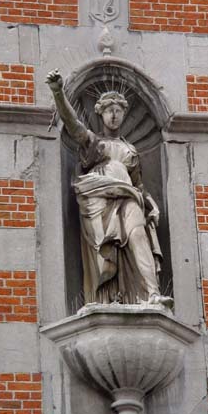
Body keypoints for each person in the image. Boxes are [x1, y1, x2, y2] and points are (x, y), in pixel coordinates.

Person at [46, 69, 172, 307]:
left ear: (124, 113)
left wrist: (152, 203)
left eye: (118, 110)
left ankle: (152, 294)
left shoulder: (130, 150)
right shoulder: (95, 143)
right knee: (104, 249)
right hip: (98, 200)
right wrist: (58, 93)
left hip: (129, 196)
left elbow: (139, 186)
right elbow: (73, 125)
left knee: (137, 234)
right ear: (100, 114)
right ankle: (107, 299)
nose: (113, 115)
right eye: (108, 111)